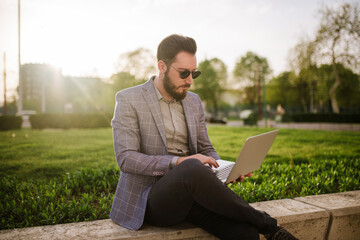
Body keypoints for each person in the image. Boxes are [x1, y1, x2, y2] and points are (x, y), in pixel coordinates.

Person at [109, 34, 298, 240]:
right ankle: (269, 225)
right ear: (162, 66)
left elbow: (205, 147)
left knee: (246, 233)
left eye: (194, 73)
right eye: (183, 73)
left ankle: (260, 226)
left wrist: (224, 169)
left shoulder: (193, 101)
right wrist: (180, 162)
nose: (190, 81)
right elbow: (126, 159)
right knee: (190, 167)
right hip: (150, 201)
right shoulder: (129, 99)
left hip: (191, 195)